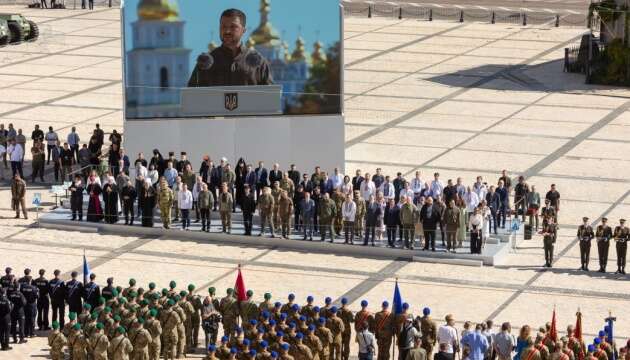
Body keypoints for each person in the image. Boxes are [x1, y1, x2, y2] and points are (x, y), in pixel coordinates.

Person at [188, 9, 273, 87]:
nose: (227, 31)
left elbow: (271, 97)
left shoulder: (259, 63)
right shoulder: (205, 62)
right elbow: (191, 95)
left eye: (233, 27)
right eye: (223, 26)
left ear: (243, 30)